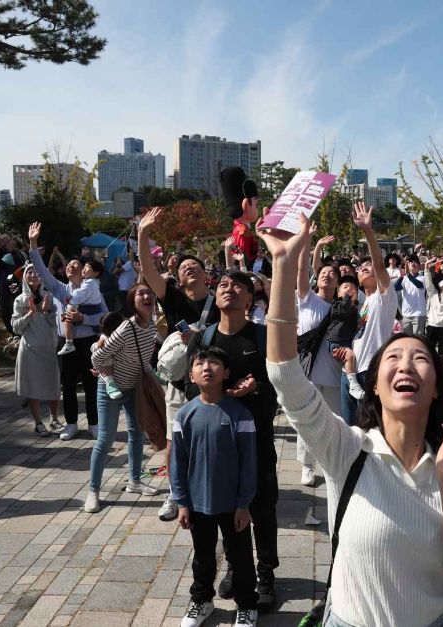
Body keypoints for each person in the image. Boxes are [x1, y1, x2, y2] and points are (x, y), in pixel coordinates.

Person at [259, 216, 443, 627]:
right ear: (376, 385)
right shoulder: (348, 448)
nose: (406, 365)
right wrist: (282, 264)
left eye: (420, 359)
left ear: (436, 388)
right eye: (393, 359)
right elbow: (285, 377)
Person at [180, 270, 280, 611]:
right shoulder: (204, 338)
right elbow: (190, 388)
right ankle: (239, 568)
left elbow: (283, 388)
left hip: (258, 439)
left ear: (250, 299)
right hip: (219, 447)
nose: (230, 289)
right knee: (224, 509)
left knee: (262, 509)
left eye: (239, 286)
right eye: (223, 284)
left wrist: (256, 389)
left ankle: (265, 574)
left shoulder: (263, 337)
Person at [137, 207, 220, 522]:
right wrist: (143, 234)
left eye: (194, 265)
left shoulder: (218, 301)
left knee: (210, 438)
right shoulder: (171, 297)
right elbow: (148, 269)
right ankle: (175, 495)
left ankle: (207, 488)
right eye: (184, 266)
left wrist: (203, 339)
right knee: (175, 441)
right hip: (177, 383)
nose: (189, 268)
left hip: (210, 381)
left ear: (204, 274)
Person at [172, 347, 259, 627]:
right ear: (192, 375)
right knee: (203, 557)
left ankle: (246, 605)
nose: (207, 367)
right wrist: (182, 502)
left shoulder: (240, 414)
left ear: (226, 372)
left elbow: (249, 463)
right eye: (200, 363)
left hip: (234, 505)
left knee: (241, 557)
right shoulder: (184, 414)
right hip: (198, 504)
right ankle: (202, 600)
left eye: (214, 363)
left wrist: (244, 503)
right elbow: (178, 462)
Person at [85, 284, 161, 513]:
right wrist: (107, 377)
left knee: (136, 434)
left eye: (150, 292)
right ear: (132, 302)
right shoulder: (127, 328)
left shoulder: (152, 327)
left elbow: (143, 360)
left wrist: (154, 376)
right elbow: (97, 357)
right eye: (140, 293)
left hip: (133, 389)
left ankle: (135, 482)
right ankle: (93, 491)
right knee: (105, 439)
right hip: (110, 388)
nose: (147, 296)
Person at [28, 223, 105, 441]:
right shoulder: (60, 290)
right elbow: (42, 271)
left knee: (91, 384)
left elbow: (105, 317)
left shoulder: (93, 290)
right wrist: (33, 243)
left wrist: (85, 319)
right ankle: (71, 423)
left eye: (76, 264)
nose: (71, 266)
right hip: (65, 342)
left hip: (88, 341)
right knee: (68, 384)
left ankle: (94, 423)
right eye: (68, 264)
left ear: (85, 270)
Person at [343, 202, 397, 425]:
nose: (363, 269)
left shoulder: (384, 296)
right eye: (360, 268)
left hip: (371, 371)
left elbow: (380, 267)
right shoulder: (363, 303)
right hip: (352, 373)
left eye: (368, 267)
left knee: (371, 429)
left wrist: (367, 231)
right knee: (351, 430)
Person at [296, 232, 342, 487]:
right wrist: (307, 241)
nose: (327, 275)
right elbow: (302, 268)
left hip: (334, 373)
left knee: (333, 421)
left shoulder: (343, 307)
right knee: (308, 420)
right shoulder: (307, 300)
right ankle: (307, 465)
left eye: (332, 274)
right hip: (309, 372)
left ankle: (329, 462)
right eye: (324, 272)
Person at [11, 264, 62, 437]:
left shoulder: (50, 296)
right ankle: (38, 422)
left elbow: (59, 324)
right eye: (29, 272)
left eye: (36, 272)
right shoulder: (20, 300)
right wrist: (30, 314)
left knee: (53, 384)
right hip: (29, 348)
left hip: (48, 347)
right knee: (33, 386)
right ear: (24, 277)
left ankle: (54, 419)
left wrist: (47, 311)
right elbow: (16, 328)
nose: (33, 275)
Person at [57, 258, 104, 356]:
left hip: (90, 312)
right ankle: (103, 337)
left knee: (66, 316)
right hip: (92, 308)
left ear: (96, 273)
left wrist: (71, 299)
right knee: (97, 328)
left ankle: (69, 343)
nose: (70, 266)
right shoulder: (92, 283)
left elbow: (80, 295)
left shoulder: (89, 283)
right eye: (69, 264)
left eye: (88, 267)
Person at [425, 258, 443, 355]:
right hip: (432, 325)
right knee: (430, 351)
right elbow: (428, 283)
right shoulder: (433, 294)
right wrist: (426, 267)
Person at [396, 254, 428, 334]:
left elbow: (418, 284)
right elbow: (396, 288)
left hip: (419, 314)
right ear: (408, 265)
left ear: (419, 266)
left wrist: (407, 275)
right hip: (406, 314)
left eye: (415, 262)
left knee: (417, 339)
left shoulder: (423, 278)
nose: (413, 264)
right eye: (410, 262)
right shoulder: (405, 278)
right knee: (407, 339)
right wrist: (401, 277)